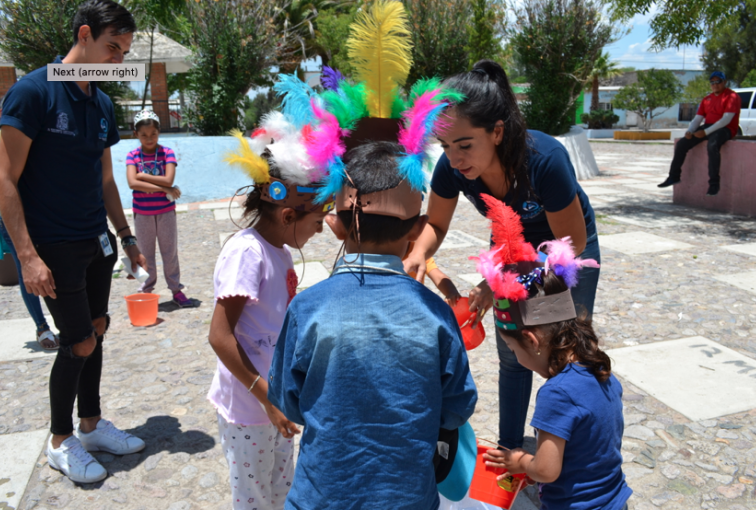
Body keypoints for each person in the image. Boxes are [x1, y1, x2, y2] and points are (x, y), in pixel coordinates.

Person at [268, 141, 478, 510]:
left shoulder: (307, 308)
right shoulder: (435, 313)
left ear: (334, 225)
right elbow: (458, 405)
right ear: (418, 230)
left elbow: (290, 401)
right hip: (408, 498)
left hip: (321, 498)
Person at [403, 59, 599, 451]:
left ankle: (574, 450)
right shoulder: (454, 169)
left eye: (464, 145)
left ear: (496, 132)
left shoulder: (544, 159)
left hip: (565, 254)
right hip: (509, 254)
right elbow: (437, 225)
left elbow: (569, 243)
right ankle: (511, 446)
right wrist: (418, 254)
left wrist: (498, 284)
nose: (455, 159)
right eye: (445, 147)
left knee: (561, 352)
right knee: (514, 354)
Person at [0, 0, 147, 484]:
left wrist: (126, 238)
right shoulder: (31, 93)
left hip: (94, 239)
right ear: (84, 36)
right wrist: (27, 256)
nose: (118, 60)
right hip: (52, 244)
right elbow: (3, 177)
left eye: (124, 52)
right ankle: (61, 441)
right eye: (112, 48)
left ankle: (92, 424)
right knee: (77, 342)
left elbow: (105, 182)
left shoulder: (100, 103)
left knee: (97, 329)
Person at [207, 86, 336, 509]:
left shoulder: (276, 251)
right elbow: (220, 336)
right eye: (317, 220)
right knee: (253, 498)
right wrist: (268, 399)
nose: (319, 230)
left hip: (270, 404)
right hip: (250, 408)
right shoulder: (247, 253)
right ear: (286, 214)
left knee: (278, 492)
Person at [473, 197, 629, 510]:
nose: (516, 358)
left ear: (531, 340)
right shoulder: (599, 369)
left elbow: (546, 470)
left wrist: (521, 461)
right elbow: (589, 446)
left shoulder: (557, 393)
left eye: (514, 348)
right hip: (615, 500)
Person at [0, 96, 59, 350]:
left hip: (41, 213)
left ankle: (66, 322)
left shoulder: (35, 137)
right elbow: (6, 180)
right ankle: (42, 327)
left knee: (57, 266)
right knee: (27, 270)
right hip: (12, 217)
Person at [125, 110, 193, 307]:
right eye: (144, 135)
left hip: (165, 212)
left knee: (169, 251)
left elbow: (169, 179)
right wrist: (164, 188)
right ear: (136, 134)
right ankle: (146, 289)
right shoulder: (132, 156)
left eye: (153, 134)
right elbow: (132, 183)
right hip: (142, 214)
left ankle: (176, 289)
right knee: (145, 253)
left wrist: (142, 176)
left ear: (159, 132)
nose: (149, 138)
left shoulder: (167, 153)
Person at [658, 71, 741, 196]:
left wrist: (705, 132)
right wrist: (690, 131)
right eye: (712, 82)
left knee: (712, 145)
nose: (715, 84)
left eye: (718, 81)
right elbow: (698, 118)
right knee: (681, 144)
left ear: (724, 82)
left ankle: (714, 184)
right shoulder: (707, 99)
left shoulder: (732, 97)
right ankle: (673, 177)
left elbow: (726, 120)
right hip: (708, 127)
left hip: (726, 128)